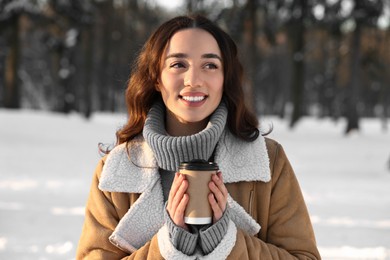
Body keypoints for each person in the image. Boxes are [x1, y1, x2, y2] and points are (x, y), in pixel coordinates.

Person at [76, 14, 321, 259]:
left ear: (225, 79)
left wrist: (226, 241)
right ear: (156, 78)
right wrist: (169, 247)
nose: (193, 80)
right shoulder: (117, 170)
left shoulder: (268, 161)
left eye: (210, 65)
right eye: (178, 65)